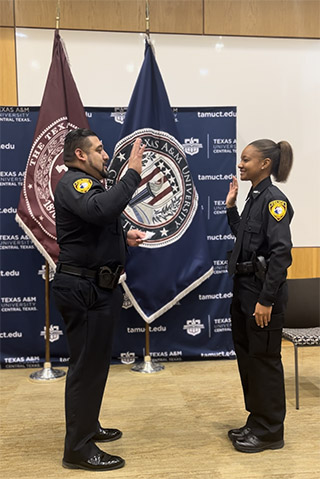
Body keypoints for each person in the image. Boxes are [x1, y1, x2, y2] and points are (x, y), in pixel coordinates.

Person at [52, 128, 145, 471]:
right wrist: (132, 172)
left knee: (94, 367)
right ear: (81, 155)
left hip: (96, 288)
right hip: (84, 289)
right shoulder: (74, 182)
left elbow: (94, 223)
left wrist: (124, 236)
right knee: (85, 370)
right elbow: (101, 211)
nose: (106, 155)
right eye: (100, 149)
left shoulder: (89, 185)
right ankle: (77, 449)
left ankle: (87, 427)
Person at [225, 139, 294, 453]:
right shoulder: (254, 198)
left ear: (265, 163)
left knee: (265, 361)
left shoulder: (274, 201)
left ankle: (271, 431)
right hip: (244, 290)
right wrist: (230, 208)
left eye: (246, 160)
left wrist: (266, 300)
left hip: (262, 296)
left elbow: (281, 255)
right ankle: (256, 420)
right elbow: (244, 239)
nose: (241, 165)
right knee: (249, 359)